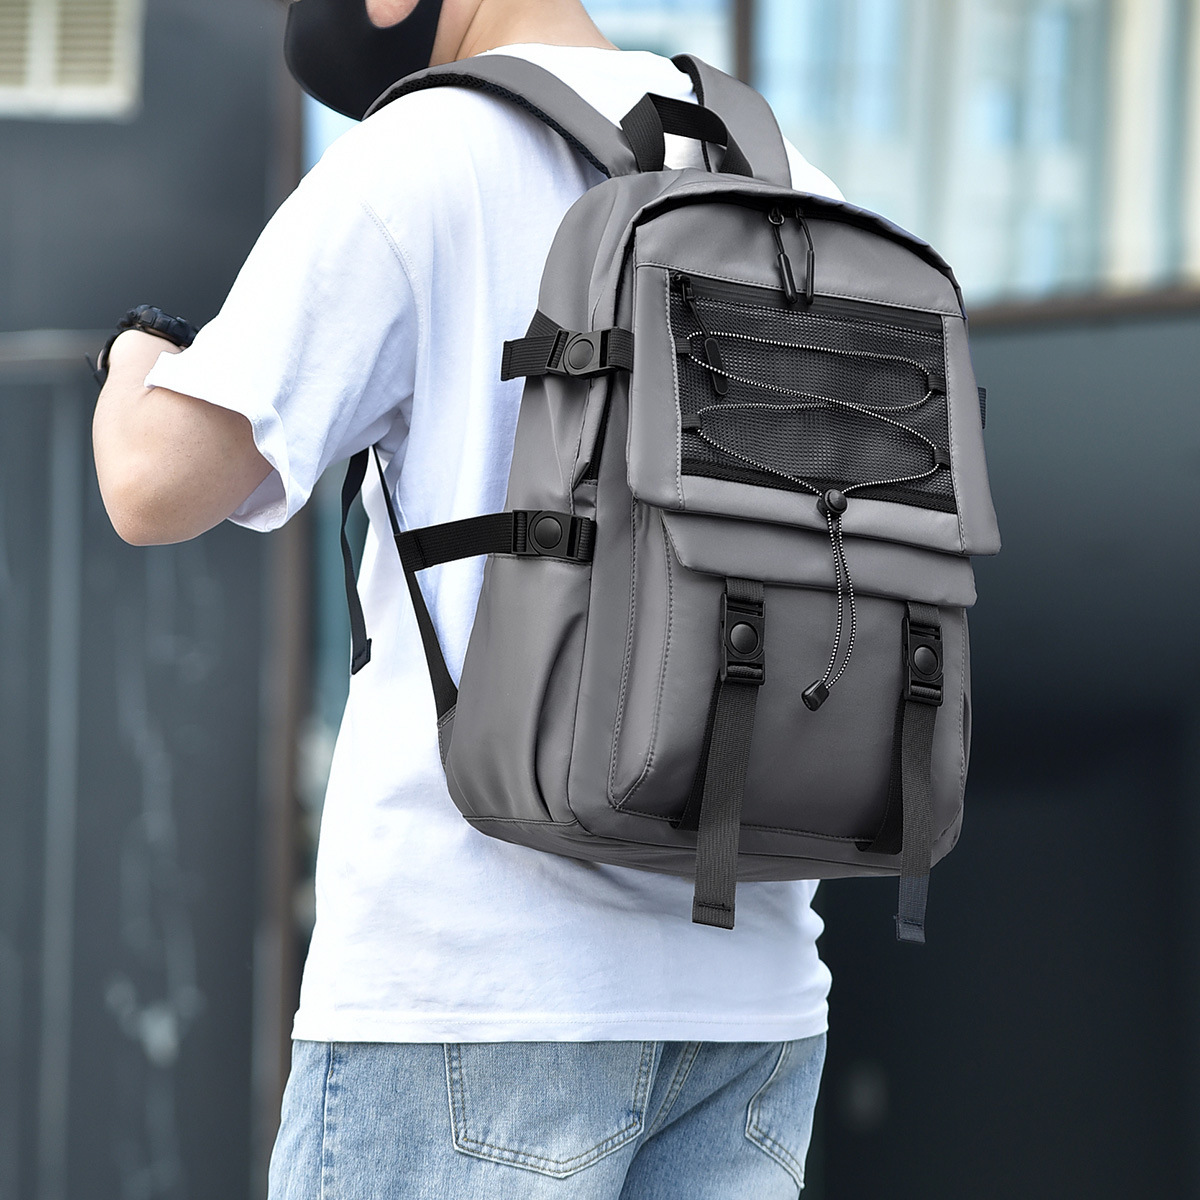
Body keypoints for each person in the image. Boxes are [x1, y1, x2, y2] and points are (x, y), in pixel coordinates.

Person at [92, 0, 842, 1195]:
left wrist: (137, 353)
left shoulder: (423, 155)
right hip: (755, 1004)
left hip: (475, 990)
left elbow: (151, 483)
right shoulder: (789, 176)